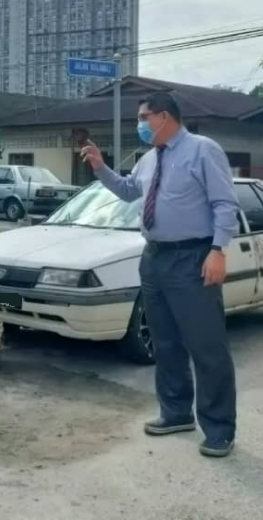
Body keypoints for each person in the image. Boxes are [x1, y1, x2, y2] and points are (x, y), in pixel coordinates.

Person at [81, 92, 240, 458]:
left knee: (206, 345)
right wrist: (101, 168)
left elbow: (224, 203)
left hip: (193, 257)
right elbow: (128, 192)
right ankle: (176, 412)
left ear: (164, 116)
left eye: (143, 117)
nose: (140, 124)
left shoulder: (203, 150)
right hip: (154, 259)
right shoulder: (150, 159)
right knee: (165, 342)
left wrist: (218, 250)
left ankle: (219, 428)